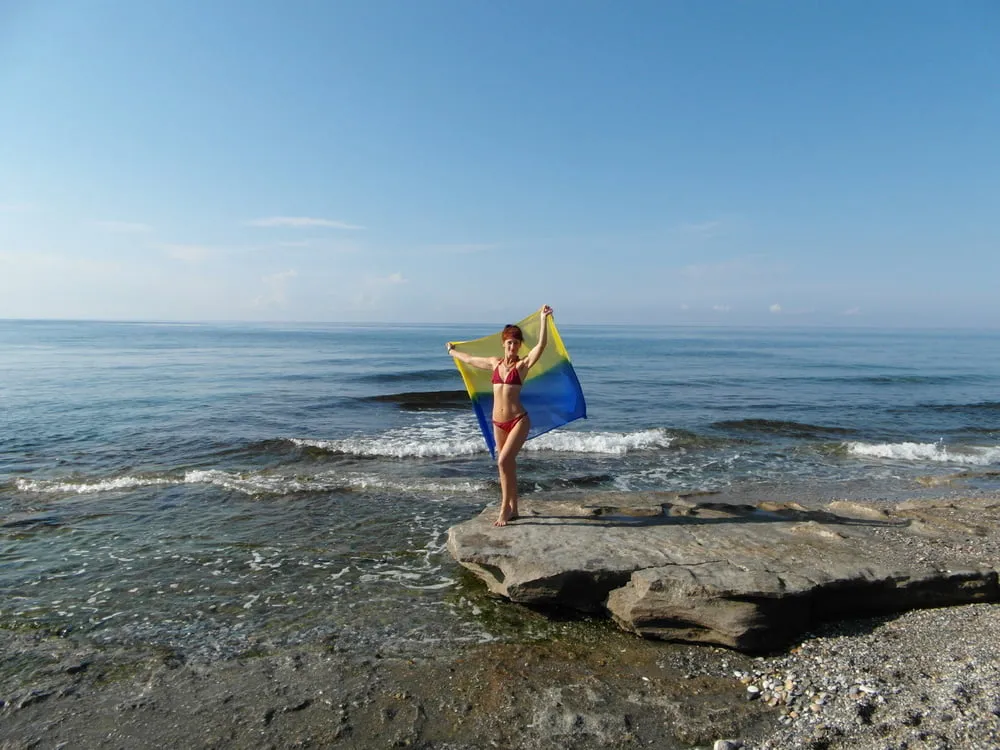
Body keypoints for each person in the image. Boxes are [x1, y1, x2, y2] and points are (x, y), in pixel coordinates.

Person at [447, 305, 553, 526]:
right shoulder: (495, 363)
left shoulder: (522, 365)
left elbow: (541, 345)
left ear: (519, 345)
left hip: (518, 420)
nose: (512, 346)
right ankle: (514, 507)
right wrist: (452, 351)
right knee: (507, 464)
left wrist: (543, 320)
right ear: (504, 344)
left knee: (504, 461)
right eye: (509, 343)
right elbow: (470, 359)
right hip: (498, 422)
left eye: (516, 343)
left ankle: (504, 508)